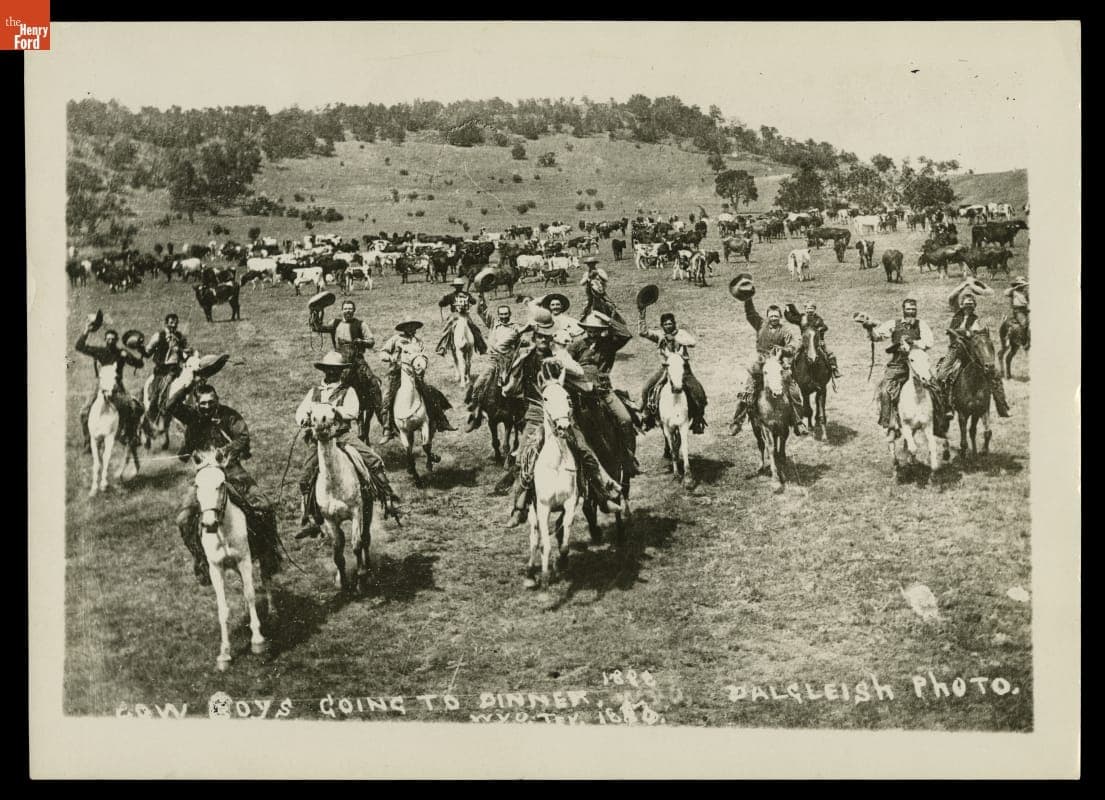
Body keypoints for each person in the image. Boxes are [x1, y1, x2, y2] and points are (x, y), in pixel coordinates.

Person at [500, 306, 625, 528]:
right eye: (539, 336)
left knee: (586, 451)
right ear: (534, 335)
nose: (543, 341)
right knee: (524, 457)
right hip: (537, 414)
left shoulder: (559, 358)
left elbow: (582, 382)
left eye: (547, 337)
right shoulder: (525, 357)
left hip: (561, 416)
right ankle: (519, 509)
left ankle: (602, 497)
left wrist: (565, 364)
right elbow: (508, 375)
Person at [165, 379, 280, 586]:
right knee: (183, 519)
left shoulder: (229, 415)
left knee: (264, 506)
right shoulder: (191, 417)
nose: (207, 407)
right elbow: (170, 406)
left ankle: (267, 558)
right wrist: (186, 383)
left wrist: (225, 451)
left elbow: (243, 437)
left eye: (211, 402)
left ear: (217, 401)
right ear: (196, 403)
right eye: (203, 403)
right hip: (204, 476)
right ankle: (201, 560)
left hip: (232, 472)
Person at [294, 351, 402, 539]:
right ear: (324, 371)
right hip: (319, 439)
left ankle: (388, 497)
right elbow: (301, 411)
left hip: (342, 435)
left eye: (336, 370)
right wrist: (303, 418)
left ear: (341, 372)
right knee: (306, 475)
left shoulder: (348, 391)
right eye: (329, 370)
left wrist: (335, 411)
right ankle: (311, 517)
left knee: (372, 459)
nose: (332, 373)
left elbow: (353, 412)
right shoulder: (314, 392)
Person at [860, 297, 946, 440]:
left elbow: (929, 342)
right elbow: (877, 337)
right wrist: (869, 328)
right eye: (908, 309)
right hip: (898, 364)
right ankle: (891, 424)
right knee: (886, 390)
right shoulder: (894, 324)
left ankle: (938, 422)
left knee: (935, 387)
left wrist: (915, 342)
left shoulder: (921, 324)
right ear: (903, 310)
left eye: (913, 309)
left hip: (917, 362)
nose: (911, 312)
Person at [570, 312, 640, 476]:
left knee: (626, 419)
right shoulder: (577, 345)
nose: (593, 332)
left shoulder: (609, 344)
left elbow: (626, 334)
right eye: (590, 329)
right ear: (585, 329)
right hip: (581, 393)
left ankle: (629, 459)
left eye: (596, 329)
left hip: (604, 391)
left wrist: (607, 319)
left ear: (601, 330)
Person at [729, 298, 809, 437]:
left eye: (776, 316)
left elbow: (793, 345)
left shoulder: (785, 330)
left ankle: (798, 421)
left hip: (778, 364)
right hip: (760, 363)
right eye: (771, 316)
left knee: (793, 389)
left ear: (780, 317)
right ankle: (737, 420)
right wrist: (748, 298)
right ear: (767, 317)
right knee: (747, 390)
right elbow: (750, 314)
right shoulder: (760, 325)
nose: (773, 319)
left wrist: (784, 350)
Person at [934, 282, 1011, 417]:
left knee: (995, 374)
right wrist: (964, 285)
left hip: (971, 352)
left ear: (974, 306)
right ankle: (946, 405)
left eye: (971, 304)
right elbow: (952, 297)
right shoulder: (956, 313)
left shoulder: (976, 320)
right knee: (941, 374)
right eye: (966, 303)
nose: (968, 306)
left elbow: (978, 334)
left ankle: (1002, 405)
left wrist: (967, 333)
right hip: (955, 350)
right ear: (961, 305)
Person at [311, 299, 383, 437]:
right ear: (342, 310)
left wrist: (361, 341)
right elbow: (318, 328)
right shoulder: (335, 323)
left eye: (350, 308)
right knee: (331, 387)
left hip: (357, 360)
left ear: (354, 311)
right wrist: (316, 312)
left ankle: (385, 423)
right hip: (339, 362)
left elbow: (371, 341)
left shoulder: (361, 324)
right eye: (346, 308)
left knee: (374, 384)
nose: (348, 311)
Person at [378, 319, 456, 442]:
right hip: (396, 375)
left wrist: (423, 364)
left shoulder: (418, 341)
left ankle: (441, 420)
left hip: (414, 375)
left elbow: (423, 355)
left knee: (430, 392)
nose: (411, 328)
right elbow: (382, 353)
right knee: (387, 398)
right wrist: (390, 357)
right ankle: (388, 429)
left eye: (413, 326)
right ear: (404, 327)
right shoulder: (395, 339)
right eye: (409, 326)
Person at [76, 320, 145, 450]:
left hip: (117, 385)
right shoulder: (99, 351)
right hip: (100, 385)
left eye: (113, 339)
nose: (110, 341)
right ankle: (88, 443)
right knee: (84, 412)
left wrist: (134, 353)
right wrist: (87, 330)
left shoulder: (121, 353)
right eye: (108, 339)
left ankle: (129, 436)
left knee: (132, 408)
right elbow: (79, 346)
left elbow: (139, 364)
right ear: (105, 340)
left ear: (116, 340)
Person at [637, 310, 708, 434]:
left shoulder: (681, 333)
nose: (668, 326)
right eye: (665, 324)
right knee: (646, 388)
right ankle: (647, 418)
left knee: (699, 393)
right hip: (666, 368)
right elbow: (643, 332)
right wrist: (642, 315)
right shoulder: (660, 335)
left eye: (670, 323)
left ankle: (698, 420)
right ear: (662, 326)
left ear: (674, 324)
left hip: (683, 370)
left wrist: (676, 338)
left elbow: (692, 342)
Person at [465, 294, 523, 432]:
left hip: (509, 362)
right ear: (498, 315)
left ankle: (521, 417)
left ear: (510, 314)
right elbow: (480, 311)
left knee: (519, 386)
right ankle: (476, 414)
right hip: (493, 360)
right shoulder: (493, 323)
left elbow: (523, 340)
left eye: (506, 314)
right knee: (479, 384)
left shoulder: (515, 327)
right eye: (501, 314)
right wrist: (481, 296)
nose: (504, 316)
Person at [142, 313, 188, 416]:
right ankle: (154, 413)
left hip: (176, 369)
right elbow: (147, 352)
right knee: (157, 392)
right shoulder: (159, 336)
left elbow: (186, 351)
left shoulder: (180, 336)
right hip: (162, 370)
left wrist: (181, 350)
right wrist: (141, 348)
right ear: (166, 323)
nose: (173, 325)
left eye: (176, 323)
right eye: (171, 323)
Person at [579, 267, 633, 353]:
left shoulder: (600, 270)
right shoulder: (586, 273)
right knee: (587, 307)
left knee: (610, 306)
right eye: (590, 264)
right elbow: (582, 283)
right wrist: (587, 278)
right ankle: (583, 320)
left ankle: (613, 322)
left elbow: (605, 279)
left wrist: (598, 275)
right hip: (591, 294)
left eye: (592, 264)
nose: (591, 265)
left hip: (602, 294)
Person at [786, 301, 842, 379]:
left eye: (812, 308)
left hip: (817, 340)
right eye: (808, 308)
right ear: (805, 309)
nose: (810, 310)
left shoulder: (818, 319)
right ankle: (790, 367)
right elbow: (792, 318)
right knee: (795, 351)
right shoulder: (802, 318)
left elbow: (825, 327)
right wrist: (788, 310)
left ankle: (834, 368)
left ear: (815, 309)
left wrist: (820, 329)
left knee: (828, 352)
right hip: (804, 340)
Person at [436, 277, 488, 358]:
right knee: (448, 329)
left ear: (462, 286)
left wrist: (471, 298)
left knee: (474, 328)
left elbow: (473, 302)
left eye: (459, 286)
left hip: (465, 315)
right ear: (455, 286)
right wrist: (443, 299)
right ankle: (443, 347)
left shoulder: (465, 294)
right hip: (455, 315)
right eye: (457, 286)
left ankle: (481, 347)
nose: (458, 287)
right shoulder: (451, 296)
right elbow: (442, 304)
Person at [1004, 276, 1030, 349]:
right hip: (1018, 311)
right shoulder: (1013, 292)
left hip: (1026, 310)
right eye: (1020, 284)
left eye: (1023, 285)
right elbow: (1005, 293)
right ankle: (1024, 341)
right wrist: (1015, 288)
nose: (1022, 287)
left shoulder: (1025, 293)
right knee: (1024, 323)